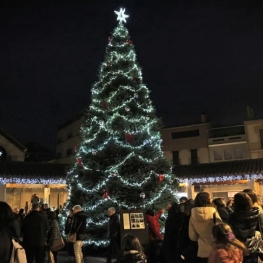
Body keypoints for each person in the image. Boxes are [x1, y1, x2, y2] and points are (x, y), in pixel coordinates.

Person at [228, 192, 263, 263]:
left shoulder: (233, 216)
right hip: (253, 246)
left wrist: (231, 243)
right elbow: (259, 228)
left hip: (239, 246)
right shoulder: (256, 212)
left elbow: (230, 233)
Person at [189, 192, 222, 263]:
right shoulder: (214, 212)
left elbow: (192, 237)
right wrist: (231, 238)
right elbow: (222, 229)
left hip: (202, 251)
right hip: (216, 248)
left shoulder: (193, 214)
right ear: (208, 200)